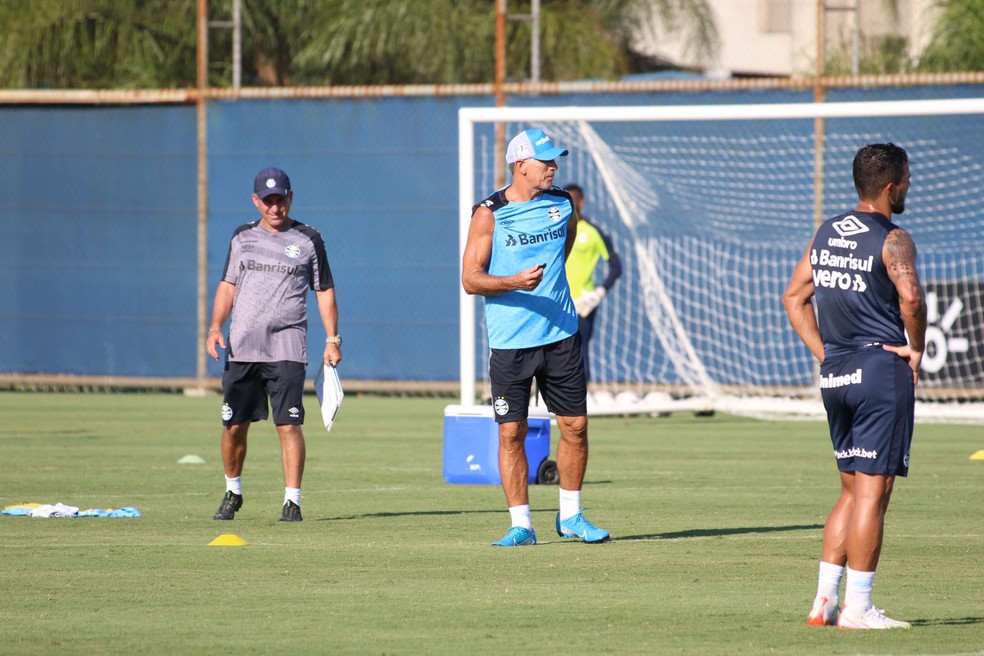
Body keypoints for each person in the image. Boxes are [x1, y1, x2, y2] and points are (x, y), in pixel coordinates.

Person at [782, 143, 926, 630]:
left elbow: (793, 297)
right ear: (890, 187)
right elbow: (910, 296)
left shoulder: (826, 232)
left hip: (837, 376)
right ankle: (858, 609)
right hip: (880, 372)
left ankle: (823, 602)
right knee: (872, 494)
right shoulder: (894, 237)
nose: (909, 186)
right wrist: (917, 346)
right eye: (906, 179)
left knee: (849, 492)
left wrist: (829, 356)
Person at [461, 128, 610, 547]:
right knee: (512, 432)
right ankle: (521, 524)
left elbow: (569, 240)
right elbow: (470, 279)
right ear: (519, 165)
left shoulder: (562, 203)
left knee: (575, 427)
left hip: (561, 333)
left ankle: (572, 516)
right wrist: (513, 281)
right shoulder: (489, 213)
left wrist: (551, 286)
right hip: (511, 341)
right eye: (545, 161)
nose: (553, 167)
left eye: (554, 160)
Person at [206, 167, 342, 523]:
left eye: (281, 199)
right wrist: (215, 327)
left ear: (290, 198)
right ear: (256, 201)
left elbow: (324, 290)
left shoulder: (309, 239)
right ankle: (233, 491)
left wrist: (332, 339)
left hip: (287, 347)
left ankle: (292, 501)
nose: (275, 207)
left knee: (289, 424)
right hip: (243, 347)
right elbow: (227, 286)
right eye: (268, 201)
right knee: (234, 426)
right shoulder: (241, 238)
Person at [563, 184, 622, 382]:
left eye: (574, 200)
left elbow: (616, 267)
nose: (571, 205)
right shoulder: (554, 230)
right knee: (550, 350)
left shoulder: (593, 232)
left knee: (579, 349)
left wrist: (598, 294)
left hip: (582, 302)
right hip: (558, 299)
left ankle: (582, 399)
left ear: (581, 202)